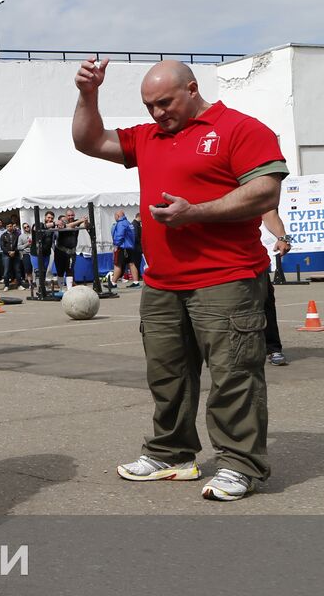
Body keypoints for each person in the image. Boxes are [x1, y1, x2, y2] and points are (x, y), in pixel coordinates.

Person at [72, 58, 287, 501]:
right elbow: (88, 141)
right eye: (149, 106)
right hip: (162, 283)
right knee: (167, 376)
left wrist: (196, 212)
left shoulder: (240, 129)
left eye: (165, 103)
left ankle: (240, 464)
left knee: (233, 376)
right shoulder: (148, 136)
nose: (157, 113)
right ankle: (171, 454)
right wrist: (88, 94)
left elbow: (266, 191)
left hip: (226, 278)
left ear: (192, 89)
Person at [261, 209, 291, 367]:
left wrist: (283, 237)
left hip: (252, 256)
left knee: (266, 301)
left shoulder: (256, 194)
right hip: (218, 255)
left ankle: (273, 349)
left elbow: (269, 213)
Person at [110, 209, 141, 287]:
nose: (114, 218)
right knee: (131, 264)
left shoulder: (121, 223)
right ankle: (136, 282)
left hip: (123, 247)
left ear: (117, 216)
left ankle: (113, 283)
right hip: (130, 247)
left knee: (118, 264)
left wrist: (116, 244)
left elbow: (119, 235)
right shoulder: (128, 223)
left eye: (115, 216)